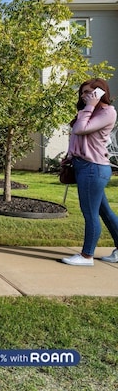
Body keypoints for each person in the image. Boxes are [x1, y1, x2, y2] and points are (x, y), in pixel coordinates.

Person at [62, 78, 118, 266]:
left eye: (89, 92)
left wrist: (90, 106)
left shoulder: (107, 112)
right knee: (105, 212)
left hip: (93, 168)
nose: (84, 96)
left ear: (101, 92)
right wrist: (70, 156)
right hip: (84, 166)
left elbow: (80, 129)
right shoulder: (89, 112)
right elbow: (78, 138)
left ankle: (87, 256)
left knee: (90, 213)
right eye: (83, 92)